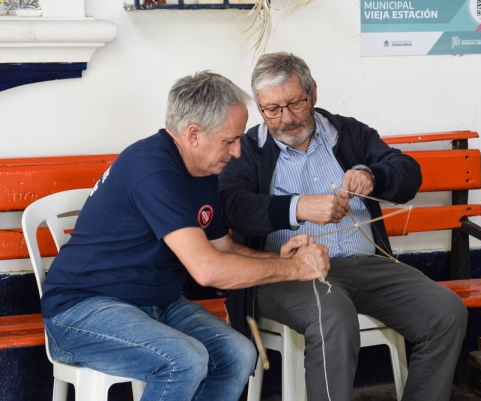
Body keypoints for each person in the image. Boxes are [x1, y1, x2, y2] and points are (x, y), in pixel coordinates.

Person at [41, 71, 329, 401]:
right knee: (184, 361)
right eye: (229, 140)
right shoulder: (152, 169)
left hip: (155, 303)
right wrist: (295, 270)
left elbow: (224, 249)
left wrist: (283, 259)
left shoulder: (203, 169)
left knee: (239, 354)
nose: (237, 151)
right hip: (80, 311)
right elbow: (208, 270)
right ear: (193, 134)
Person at [219, 53, 468, 401]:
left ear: (313, 93)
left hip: (368, 266)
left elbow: (407, 172)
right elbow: (231, 205)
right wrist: (298, 206)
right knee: (332, 315)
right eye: (272, 109)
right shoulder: (247, 149)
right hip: (288, 274)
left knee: (446, 311)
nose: (286, 119)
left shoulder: (349, 133)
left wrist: (373, 175)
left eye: (294, 103)